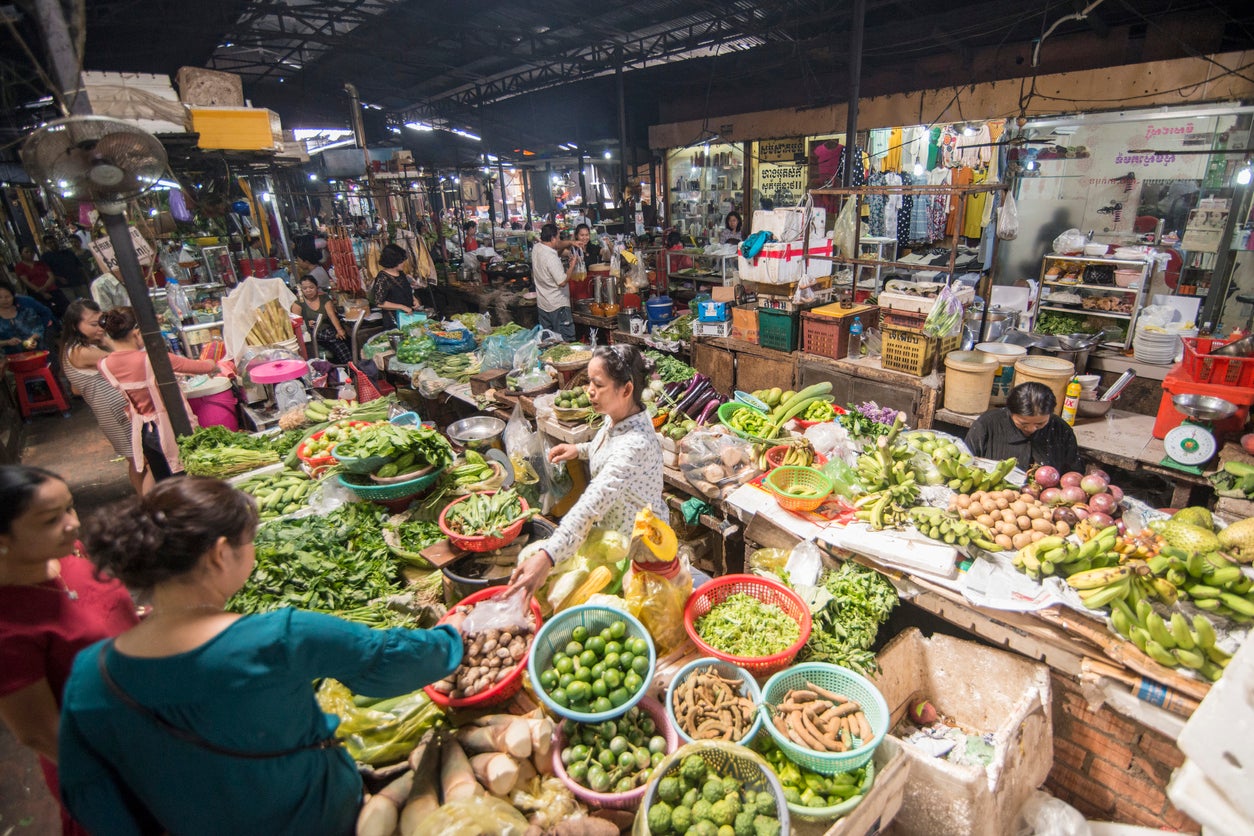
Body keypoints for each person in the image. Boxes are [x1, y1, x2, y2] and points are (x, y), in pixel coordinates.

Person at [58, 477, 464, 836]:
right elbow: (390, 661)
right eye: (249, 540)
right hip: (320, 819)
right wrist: (453, 635)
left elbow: (92, 797)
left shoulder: (90, 677)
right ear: (220, 553)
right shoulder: (279, 637)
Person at [0, 466, 139, 836]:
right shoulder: (8, 623)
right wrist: (131, 771)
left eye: (70, 508)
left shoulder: (66, 555)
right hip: (102, 762)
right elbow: (39, 733)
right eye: (50, 519)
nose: (72, 524)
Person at [510, 345, 667, 598]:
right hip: (613, 535)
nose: (589, 391)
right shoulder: (617, 416)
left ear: (626, 389)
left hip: (635, 548)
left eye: (598, 384)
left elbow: (593, 502)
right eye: (589, 383)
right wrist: (579, 449)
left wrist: (548, 556)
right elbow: (605, 446)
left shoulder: (634, 445)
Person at [98, 307, 221, 483]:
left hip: (143, 431)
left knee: (163, 479)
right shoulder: (154, 359)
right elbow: (204, 367)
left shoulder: (103, 365)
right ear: (137, 333)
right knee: (189, 476)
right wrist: (213, 361)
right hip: (171, 427)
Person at [62, 301, 149, 496]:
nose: (100, 327)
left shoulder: (75, 348)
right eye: (93, 324)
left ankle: (147, 499)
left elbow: (76, 389)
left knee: (139, 459)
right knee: (139, 461)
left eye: (101, 321)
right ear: (75, 326)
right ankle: (146, 502)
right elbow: (124, 360)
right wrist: (109, 341)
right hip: (116, 414)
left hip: (114, 412)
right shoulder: (81, 351)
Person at [966, 381, 1082, 474]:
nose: (1031, 429)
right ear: (1010, 413)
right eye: (1023, 424)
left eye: (1039, 424)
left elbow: (1073, 473)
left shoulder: (1061, 429)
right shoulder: (987, 425)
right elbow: (965, 465)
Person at [532, 223, 577, 341]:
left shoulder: (537, 248)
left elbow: (557, 247)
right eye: (558, 237)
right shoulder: (551, 258)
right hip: (558, 306)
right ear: (552, 239)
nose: (559, 240)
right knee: (566, 341)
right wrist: (571, 266)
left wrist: (571, 243)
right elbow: (562, 282)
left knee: (548, 341)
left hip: (543, 305)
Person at [292, 276, 351, 364]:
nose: (308, 290)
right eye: (305, 288)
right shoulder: (298, 303)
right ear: (301, 290)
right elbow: (295, 321)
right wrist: (305, 323)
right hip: (311, 336)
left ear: (317, 287)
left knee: (344, 351)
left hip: (328, 331)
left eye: (311, 287)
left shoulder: (324, 298)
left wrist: (339, 330)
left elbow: (332, 315)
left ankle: (351, 369)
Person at [0, 280, 57, 354]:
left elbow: (39, 326)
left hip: (38, 348)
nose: (4, 300)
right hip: (11, 357)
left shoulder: (25, 308)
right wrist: (7, 342)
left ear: (13, 296)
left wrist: (32, 338)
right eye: (0, 297)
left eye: (7, 296)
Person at [372, 243, 418, 329]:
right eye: (401, 261)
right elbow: (379, 302)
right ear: (393, 261)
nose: (403, 263)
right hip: (393, 320)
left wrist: (414, 299)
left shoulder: (401, 274)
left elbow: (405, 290)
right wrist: (401, 307)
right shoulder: (382, 278)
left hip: (408, 316)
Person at [14, 246, 67, 316]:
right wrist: (42, 292)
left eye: (31, 252)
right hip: (36, 293)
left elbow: (51, 276)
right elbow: (26, 282)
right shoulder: (19, 267)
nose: (30, 253)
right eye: (26, 252)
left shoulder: (41, 263)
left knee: (65, 308)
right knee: (48, 312)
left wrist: (44, 287)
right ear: (21, 254)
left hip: (52, 289)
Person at [40, 235, 89, 305]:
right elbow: (47, 273)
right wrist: (58, 278)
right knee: (75, 305)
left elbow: (80, 266)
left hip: (79, 282)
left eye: (54, 242)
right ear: (46, 245)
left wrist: (87, 279)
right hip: (64, 286)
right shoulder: (45, 257)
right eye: (50, 243)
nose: (53, 244)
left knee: (87, 302)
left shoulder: (68, 252)